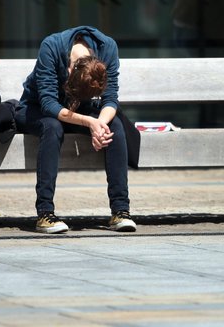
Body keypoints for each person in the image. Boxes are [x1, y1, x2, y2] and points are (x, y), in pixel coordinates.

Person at [15, 26, 136, 233]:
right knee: (52, 127)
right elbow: (48, 104)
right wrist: (90, 122)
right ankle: (45, 213)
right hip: (36, 110)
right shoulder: (51, 47)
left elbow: (110, 98)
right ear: (69, 70)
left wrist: (100, 125)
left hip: (82, 112)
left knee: (114, 125)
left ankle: (120, 211)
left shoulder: (108, 48)